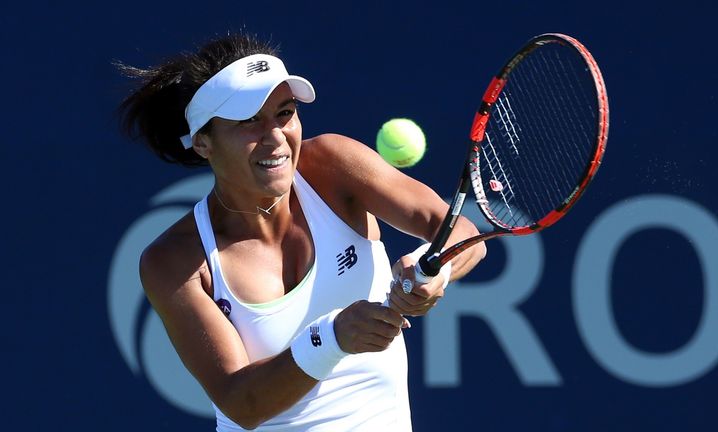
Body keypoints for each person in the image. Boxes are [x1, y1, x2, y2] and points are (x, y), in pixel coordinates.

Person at [116, 32, 485, 431]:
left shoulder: (333, 165)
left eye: (284, 112)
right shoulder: (175, 261)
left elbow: (457, 230)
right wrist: (332, 337)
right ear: (204, 142)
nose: (276, 138)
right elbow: (243, 403)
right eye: (249, 121)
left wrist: (434, 269)